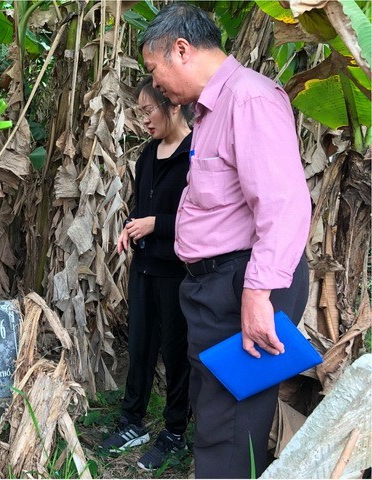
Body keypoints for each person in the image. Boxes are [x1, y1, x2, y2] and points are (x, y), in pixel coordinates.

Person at [139, 3, 311, 478]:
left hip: (245, 282)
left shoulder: (248, 100)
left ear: (181, 50)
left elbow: (283, 206)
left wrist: (258, 296)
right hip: (216, 285)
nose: (157, 85)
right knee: (215, 406)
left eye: (155, 71)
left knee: (229, 419)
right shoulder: (210, 111)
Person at [100, 76, 192, 471]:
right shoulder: (147, 155)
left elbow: (204, 218)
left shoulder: (196, 153)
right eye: (139, 114)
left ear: (173, 105)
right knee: (139, 346)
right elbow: (143, 210)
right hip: (145, 267)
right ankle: (132, 421)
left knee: (176, 353)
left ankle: (174, 432)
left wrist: (158, 225)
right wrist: (130, 227)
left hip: (178, 271)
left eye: (148, 111)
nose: (144, 121)